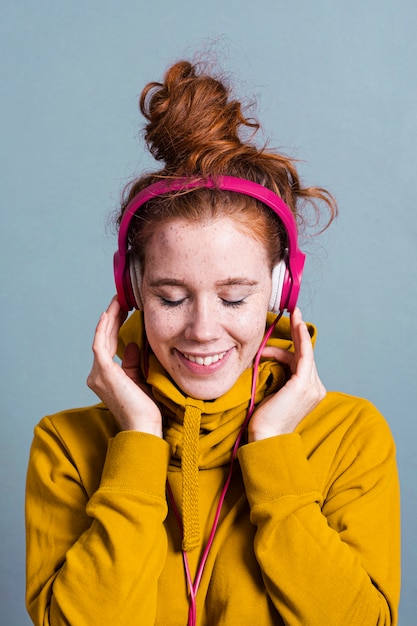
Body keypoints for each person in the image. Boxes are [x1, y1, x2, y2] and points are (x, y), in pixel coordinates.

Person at [25, 59, 401, 626]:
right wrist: (139, 441)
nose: (202, 329)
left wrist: (272, 449)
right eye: (172, 298)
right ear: (132, 291)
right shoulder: (67, 447)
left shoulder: (349, 438)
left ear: (281, 288)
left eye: (233, 299)